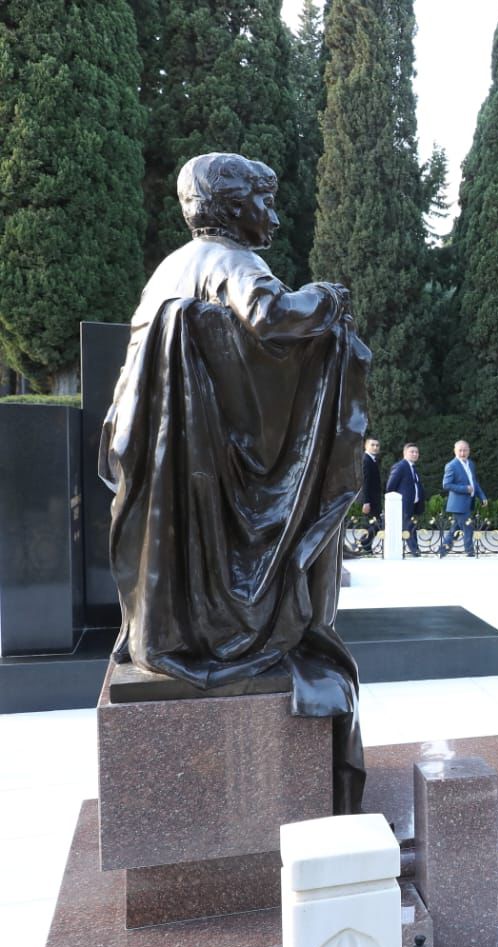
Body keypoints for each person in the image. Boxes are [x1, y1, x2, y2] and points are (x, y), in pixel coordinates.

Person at [100, 152, 368, 813]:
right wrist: (327, 301)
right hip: (200, 479)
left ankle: (179, 628)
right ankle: (229, 635)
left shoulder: (170, 268)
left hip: (168, 478)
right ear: (231, 207)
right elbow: (273, 320)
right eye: (264, 200)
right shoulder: (231, 262)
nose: (272, 214)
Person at [438, 440, 487, 557]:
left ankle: (442, 550)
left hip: (468, 503)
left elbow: (474, 483)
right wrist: (465, 489)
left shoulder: (470, 464)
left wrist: (482, 496)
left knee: (455, 529)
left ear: (469, 451)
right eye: (460, 450)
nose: (462, 453)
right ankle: (470, 552)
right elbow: (446, 484)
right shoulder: (451, 465)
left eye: (465, 450)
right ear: (455, 451)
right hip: (458, 504)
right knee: (468, 527)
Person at [385, 443, 425, 557]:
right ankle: (414, 550)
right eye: (412, 452)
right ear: (405, 453)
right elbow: (390, 486)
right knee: (408, 527)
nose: (415, 454)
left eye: (416, 452)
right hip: (402, 504)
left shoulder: (413, 468)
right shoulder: (401, 466)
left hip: (412, 504)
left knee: (411, 526)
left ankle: (415, 549)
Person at [359, 438, 382, 553]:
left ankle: (366, 546)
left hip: (374, 499)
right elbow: (365, 482)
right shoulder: (366, 460)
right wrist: (365, 501)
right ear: (366, 446)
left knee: (374, 524)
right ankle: (364, 544)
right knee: (375, 524)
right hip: (369, 500)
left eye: (377, 445)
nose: (375, 447)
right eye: (372, 445)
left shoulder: (372, 460)